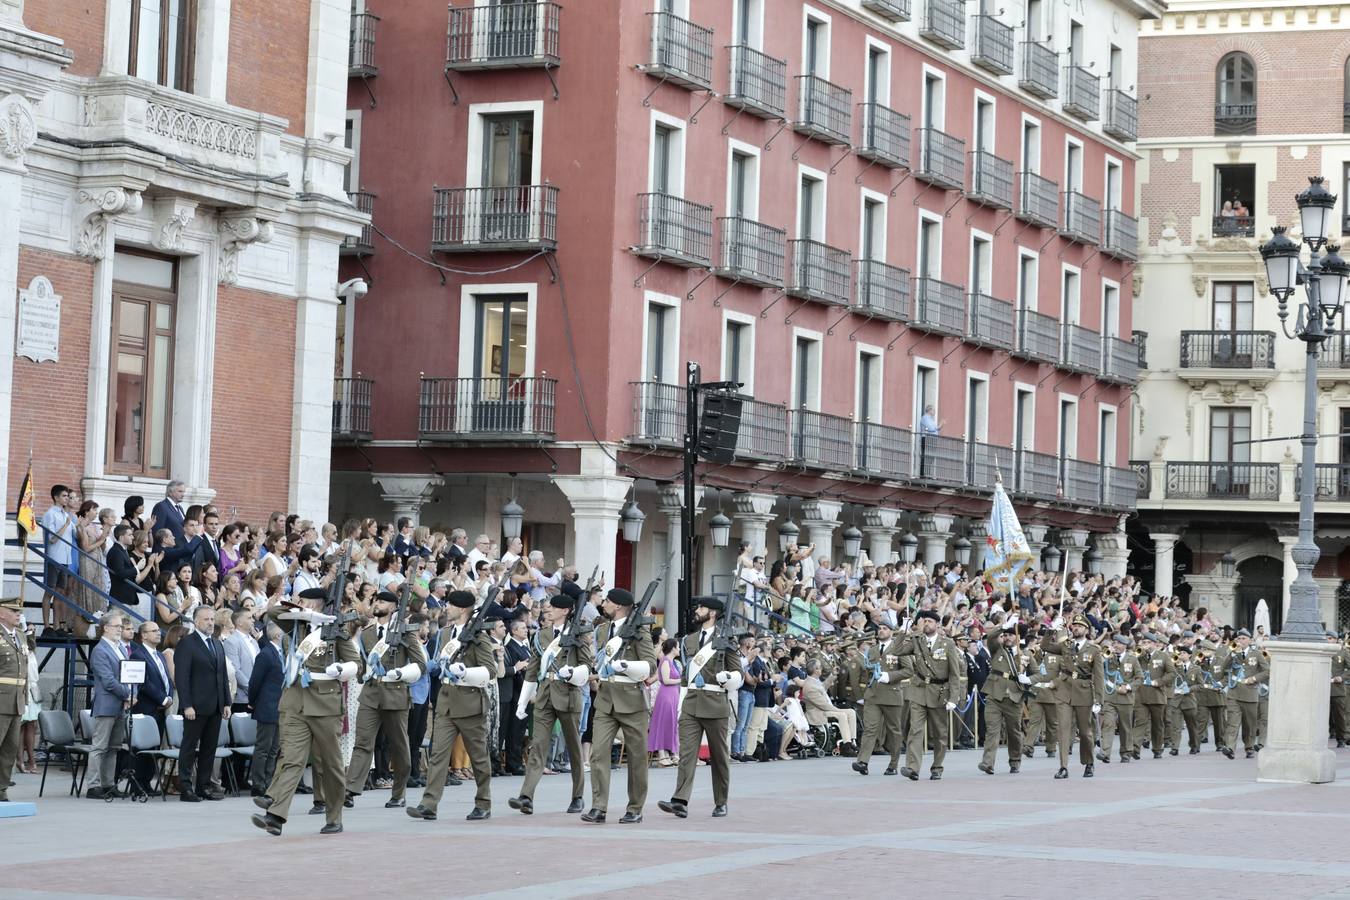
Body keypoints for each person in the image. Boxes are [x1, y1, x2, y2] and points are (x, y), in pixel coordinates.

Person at [251, 588, 361, 836]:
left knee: (331, 765)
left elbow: (357, 664)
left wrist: (340, 669)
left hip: (325, 705)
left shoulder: (336, 632)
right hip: (295, 702)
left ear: (319, 603)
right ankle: (275, 817)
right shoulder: (297, 626)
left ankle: (334, 816)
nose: (300, 603)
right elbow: (272, 611)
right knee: (291, 758)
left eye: (305, 600)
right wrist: (307, 614)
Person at [407, 589, 500, 822]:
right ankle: (429, 804)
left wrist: (466, 672)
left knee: (478, 757)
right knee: (438, 754)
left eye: (449, 605)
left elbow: (489, 670)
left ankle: (483, 802)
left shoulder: (479, 636)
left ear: (462, 609)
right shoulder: (447, 633)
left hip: (469, 702)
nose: (445, 608)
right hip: (447, 700)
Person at [511, 583, 594, 815]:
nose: (548, 610)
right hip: (546, 695)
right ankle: (526, 796)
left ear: (565, 610)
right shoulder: (542, 635)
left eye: (553, 607)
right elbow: (533, 669)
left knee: (574, 749)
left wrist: (574, 674)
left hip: (568, 694)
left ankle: (578, 796)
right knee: (538, 745)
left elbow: (587, 665)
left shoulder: (578, 633)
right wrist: (522, 701)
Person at [658, 597, 743, 820]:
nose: (698, 610)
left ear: (713, 613)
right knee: (686, 754)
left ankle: (721, 801)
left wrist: (729, 678)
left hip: (715, 702)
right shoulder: (690, 639)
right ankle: (680, 800)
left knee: (719, 756)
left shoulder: (726, 638)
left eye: (702, 608)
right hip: (691, 702)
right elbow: (686, 674)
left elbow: (738, 674)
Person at [344, 590, 427, 810]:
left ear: (393, 607)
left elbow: (420, 664)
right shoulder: (368, 632)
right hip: (371, 694)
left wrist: (401, 673)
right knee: (362, 743)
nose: (376, 604)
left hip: (396, 693)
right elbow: (363, 662)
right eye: (376, 601)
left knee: (399, 746)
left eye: (381, 601)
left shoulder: (405, 632)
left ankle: (399, 793)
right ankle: (350, 790)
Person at [582, 587, 657, 824]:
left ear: (617, 606)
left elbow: (650, 666)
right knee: (599, 753)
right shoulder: (603, 630)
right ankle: (599, 807)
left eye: (607, 602)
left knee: (636, 758)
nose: (603, 604)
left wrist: (626, 666)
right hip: (605, 699)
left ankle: (635, 807)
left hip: (632, 700)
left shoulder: (639, 631)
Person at [174, 605, 231, 801]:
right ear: (196, 621)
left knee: (209, 748)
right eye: (206, 619)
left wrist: (226, 703)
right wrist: (187, 704)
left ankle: (204, 786)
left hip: (215, 705)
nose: (210, 623)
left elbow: (222, 676)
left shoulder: (217, 643)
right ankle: (185, 787)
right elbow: (182, 677)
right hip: (195, 707)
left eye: (212, 619)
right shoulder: (187, 643)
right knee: (189, 747)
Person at [897, 610, 961, 780]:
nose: (926, 624)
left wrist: (954, 698)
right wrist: (902, 630)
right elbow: (896, 650)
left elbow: (954, 674)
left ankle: (937, 767)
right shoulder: (916, 641)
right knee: (915, 731)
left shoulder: (947, 644)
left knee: (940, 734)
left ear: (937, 625)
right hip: (918, 690)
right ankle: (912, 768)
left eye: (930, 621)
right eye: (924, 621)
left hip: (939, 693)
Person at [1042, 615, 1104, 779]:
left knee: (1085, 732)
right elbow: (1045, 646)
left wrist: (1099, 700)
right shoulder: (1066, 645)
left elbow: (1098, 677)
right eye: (1074, 625)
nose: (1075, 628)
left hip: (1084, 691)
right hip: (1065, 690)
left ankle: (1089, 762)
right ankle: (1063, 767)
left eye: (1079, 626)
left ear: (1086, 630)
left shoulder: (1093, 650)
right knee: (1063, 729)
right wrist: (1051, 630)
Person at [86, 612, 133, 799]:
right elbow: (108, 680)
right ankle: (93, 785)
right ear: (105, 627)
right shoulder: (100, 650)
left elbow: (128, 674)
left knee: (113, 747)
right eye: (117, 627)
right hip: (107, 704)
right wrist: (128, 694)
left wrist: (132, 693)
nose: (120, 630)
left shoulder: (119, 648)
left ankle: (108, 783)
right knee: (99, 747)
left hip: (121, 704)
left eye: (121, 627)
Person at [852, 624, 909, 776]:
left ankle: (893, 764)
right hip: (873, 695)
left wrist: (889, 676)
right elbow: (867, 670)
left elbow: (908, 670)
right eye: (880, 628)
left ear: (891, 631)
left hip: (892, 694)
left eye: (885, 628)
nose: (881, 630)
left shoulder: (900, 648)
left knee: (894, 730)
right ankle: (863, 761)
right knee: (870, 729)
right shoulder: (873, 650)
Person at [979, 622, 1028, 775]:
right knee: (992, 730)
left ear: (1018, 637)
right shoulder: (997, 650)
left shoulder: (1025, 653)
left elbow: (1037, 671)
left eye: (1010, 634)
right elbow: (991, 637)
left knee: (1014, 732)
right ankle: (987, 763)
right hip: (995, 695)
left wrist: (1029, 679)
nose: (1006, 637)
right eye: (1004, 635)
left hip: (1014, 698)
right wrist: (1004, 624)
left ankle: (1015, 760)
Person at [130, 620, 174, 792]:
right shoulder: (138, 655)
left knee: (154, 746)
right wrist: (162, 699)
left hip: (160, 709)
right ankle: (137, 783)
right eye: (153, 630)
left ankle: (147, 781)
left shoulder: (160, 655)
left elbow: (167, 679)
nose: (158, 633)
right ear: (144, 635)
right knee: (143, 747)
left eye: (158, 630)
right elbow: (144, 682)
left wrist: (169, 696)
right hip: (147, 708)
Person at [247, 621, 285, 797]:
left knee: (275, 748)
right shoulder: (266, 654)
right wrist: (253, 702)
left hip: (280, 707)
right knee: (264, 747)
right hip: (267, 706)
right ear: (277, 635)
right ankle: (258, 783)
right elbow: (255, 682)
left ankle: (269, 780)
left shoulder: (280, 653)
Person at [0, 597, 31, 799]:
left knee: (9, 750)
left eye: (19, 611)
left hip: (16, 701)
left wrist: (25, 699)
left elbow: (25, 670)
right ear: (2, 613)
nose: (18, 614)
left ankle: (1, 789)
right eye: (13, 611)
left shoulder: (20, 635)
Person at [1222, 628, 1268, 759]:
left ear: (1250, 640)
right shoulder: (1233, 652)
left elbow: (1267, 671)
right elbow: (1224, 666)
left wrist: (1254, 678)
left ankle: (1249, 746)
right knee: (1232, 722)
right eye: (1239, 639)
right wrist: (1231, 654)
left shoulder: (1257, 654)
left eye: (1243, 639)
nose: (1241, 641)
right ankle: (1230, 747)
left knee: (1249, 724)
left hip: (1250, 693)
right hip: (1234, 692)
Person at [1097, 633, 1141, 764]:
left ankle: (1126, 752)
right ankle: (1105, 752)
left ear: (1124, 646)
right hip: (1110, 697)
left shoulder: (1132, 659)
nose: (1115, 645)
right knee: (1108, 724)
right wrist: (1104, 658)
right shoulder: (1108, 657)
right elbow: (1100, 672)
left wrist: (1128, 687)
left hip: (1125, 698)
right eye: (1114, 643)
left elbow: (1139, 678)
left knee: (1125, 727)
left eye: (1118, 643)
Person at [40, 484, 74, 634]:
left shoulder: (65, 514)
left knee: (60, 593)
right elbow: (52, 538)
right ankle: (47, 626)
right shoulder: (50, 514)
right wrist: (66, 525)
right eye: (64, 496)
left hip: (65, 558)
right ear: (56, 497)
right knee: (50, 592)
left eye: (67, 496)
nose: (67, 498)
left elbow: (75, 531)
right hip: (54, 557)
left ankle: (57, 626)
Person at [1136, 632, 1175, 758]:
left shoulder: (1163, 656)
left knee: (1157, 724)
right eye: (1143, 642)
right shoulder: (1140, 656)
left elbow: (1171, 673)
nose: (1145, 645)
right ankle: (1134, 749)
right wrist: (1139, 653)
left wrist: (1159, 682)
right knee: (1140, 722)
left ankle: (1157, 748)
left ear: (1154, 643)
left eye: (1147, 642)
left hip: (1157, 695)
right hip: (1141, 695)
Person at [647, 637, 681, 766]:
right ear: (673, 648)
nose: (679, 649)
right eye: (677, 647)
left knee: (671, 723)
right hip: (666, 695)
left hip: (673, 694)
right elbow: (665, 680)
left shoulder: (671, 662)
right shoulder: (666, 661)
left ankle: (671, 753)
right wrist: (681, 680)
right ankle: (662, 754)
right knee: (663, 723)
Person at [223, 608, 258, 709]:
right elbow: (235, 670)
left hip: (258, 696)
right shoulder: (231, 641)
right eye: (249, 618)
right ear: (239, 622)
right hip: (242, 698)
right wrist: (251, 689)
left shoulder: (254, 641)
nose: (253, 620)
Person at [151, 481, 189, 549]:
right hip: (167, 552)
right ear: (170, 492)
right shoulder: (161, 506)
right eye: (180, 491)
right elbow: (157, 532)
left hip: (180, 549)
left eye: (184, 492)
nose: (183, 494)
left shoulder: (180, 508)